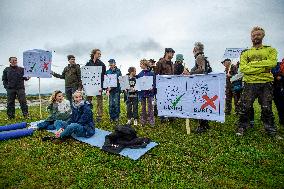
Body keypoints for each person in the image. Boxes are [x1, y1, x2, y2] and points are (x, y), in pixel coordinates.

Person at [236, 26, 278, 137]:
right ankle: (242, 127)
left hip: (266, 83)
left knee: (266, 107)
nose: (256, 37)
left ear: (263, 36)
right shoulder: (246, 53)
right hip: (250, 83)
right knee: (245, 107)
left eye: (258, 34)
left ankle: (271, 130)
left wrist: (252, 65)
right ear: (251, 37)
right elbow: (243, 68)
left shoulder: (270, 50)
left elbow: (273, 63)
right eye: (253, 35)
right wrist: (263, 67)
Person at [190, 42, 211, 133]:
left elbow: (202, 69)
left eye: (193, 49)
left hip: (201, 84)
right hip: (205, 83)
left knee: (200, 104)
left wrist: (190, 73)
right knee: (203, 103)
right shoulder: (203, 57)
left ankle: (201, 126)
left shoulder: (199, 57)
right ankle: (205, 124)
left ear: (195, 49)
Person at [85, 49, 106, 122]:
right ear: (94, 54)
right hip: (90, 85)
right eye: (98, 54)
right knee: (88, 100)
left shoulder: (102, 64)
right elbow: (85, 75)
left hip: (98, 85)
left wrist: (102, 86)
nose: (100, 55)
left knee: (99, 101)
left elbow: (104, 76)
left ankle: (99, 116)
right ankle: (88, 115)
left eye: (100, 54)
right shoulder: (88, 63)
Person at [155, 48, 175, 122]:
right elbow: (156, 75)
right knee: (163, 101)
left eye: (173, 53)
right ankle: (163, 117)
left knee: (171, 101)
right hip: (162, 86)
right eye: (171, 53)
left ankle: (171, 116)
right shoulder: (160, 62)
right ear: (167, 53)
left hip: (171, 85)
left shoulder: (172, 63)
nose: (173, 54)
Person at [137, 59, 156, 126]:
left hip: (150, 93)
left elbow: (154, 82)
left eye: (141, 64)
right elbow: (138, 85)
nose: (140, 65)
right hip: (142, 94)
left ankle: (151, 121)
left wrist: (152, 87)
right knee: (143, 107)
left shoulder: (151, 73)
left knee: (150, 107)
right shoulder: (139, 74)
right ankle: (143, 120)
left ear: (145, 64)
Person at [272, 58, 284, 126]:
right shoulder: (276, 65)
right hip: (276, 88)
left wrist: (281, 77)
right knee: (279, 105)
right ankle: (281, 120)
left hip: (279, 87)